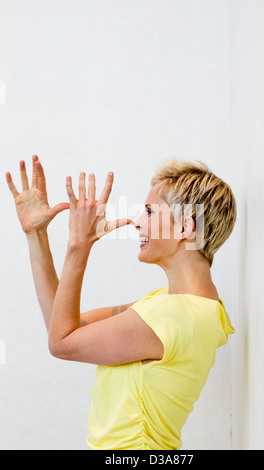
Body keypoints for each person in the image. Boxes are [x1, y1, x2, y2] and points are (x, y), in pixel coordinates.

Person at [6, 154, 237, 450]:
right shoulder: (188, 307)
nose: (137, 223)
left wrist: (80, 243)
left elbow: (60, 343)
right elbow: (61, 325)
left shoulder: (171, 315)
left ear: (185, 228)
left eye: (150, 212)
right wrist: (36, 235)